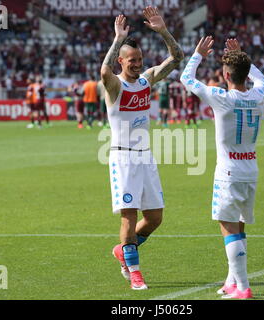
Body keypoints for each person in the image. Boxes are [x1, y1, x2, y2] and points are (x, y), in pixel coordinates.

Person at [100, 7, 183, 290]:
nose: (137, 64)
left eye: (139, 60)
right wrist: (117, 39)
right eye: (131, 60)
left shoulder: (147, 80)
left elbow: (177, 58)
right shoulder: (115, 87)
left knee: (155, 217)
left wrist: (163, 31)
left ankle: (123, 250)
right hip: (123, 156)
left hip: (146, 157)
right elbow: (103, 70)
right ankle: (134, 271)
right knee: (129, 214)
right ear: (121, 61)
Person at [180, 37, 264, 299]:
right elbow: (260, 78)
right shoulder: (259, 94)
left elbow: (187, 78)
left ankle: (243, 287)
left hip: (228, 173)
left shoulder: (221, 97)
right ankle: (232, 282)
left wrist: (197, 55)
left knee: (228, 227)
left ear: (226, 74)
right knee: (239, 226)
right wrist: (242, 55)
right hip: (251, 170)